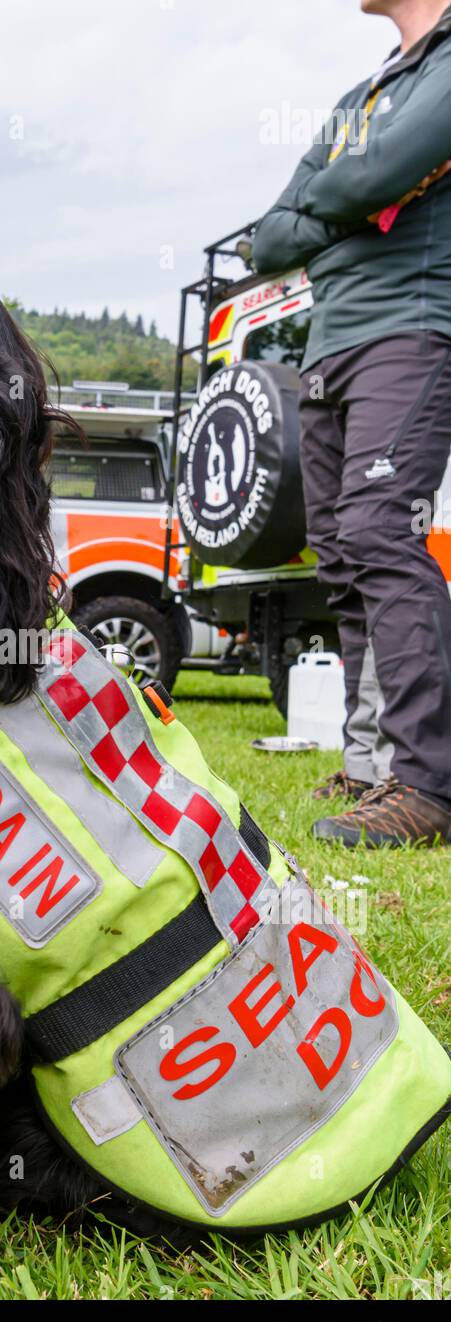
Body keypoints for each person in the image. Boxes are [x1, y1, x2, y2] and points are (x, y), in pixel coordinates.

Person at [252, 0, 451, 847]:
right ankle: (371, 770)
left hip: (412, 329)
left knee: (379, 533)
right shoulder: (363, 91)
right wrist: (348, 205)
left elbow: (362, 180)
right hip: (329, 347)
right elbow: (269, 238)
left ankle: (427, 782)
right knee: (338, 556)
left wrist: (337, 204)